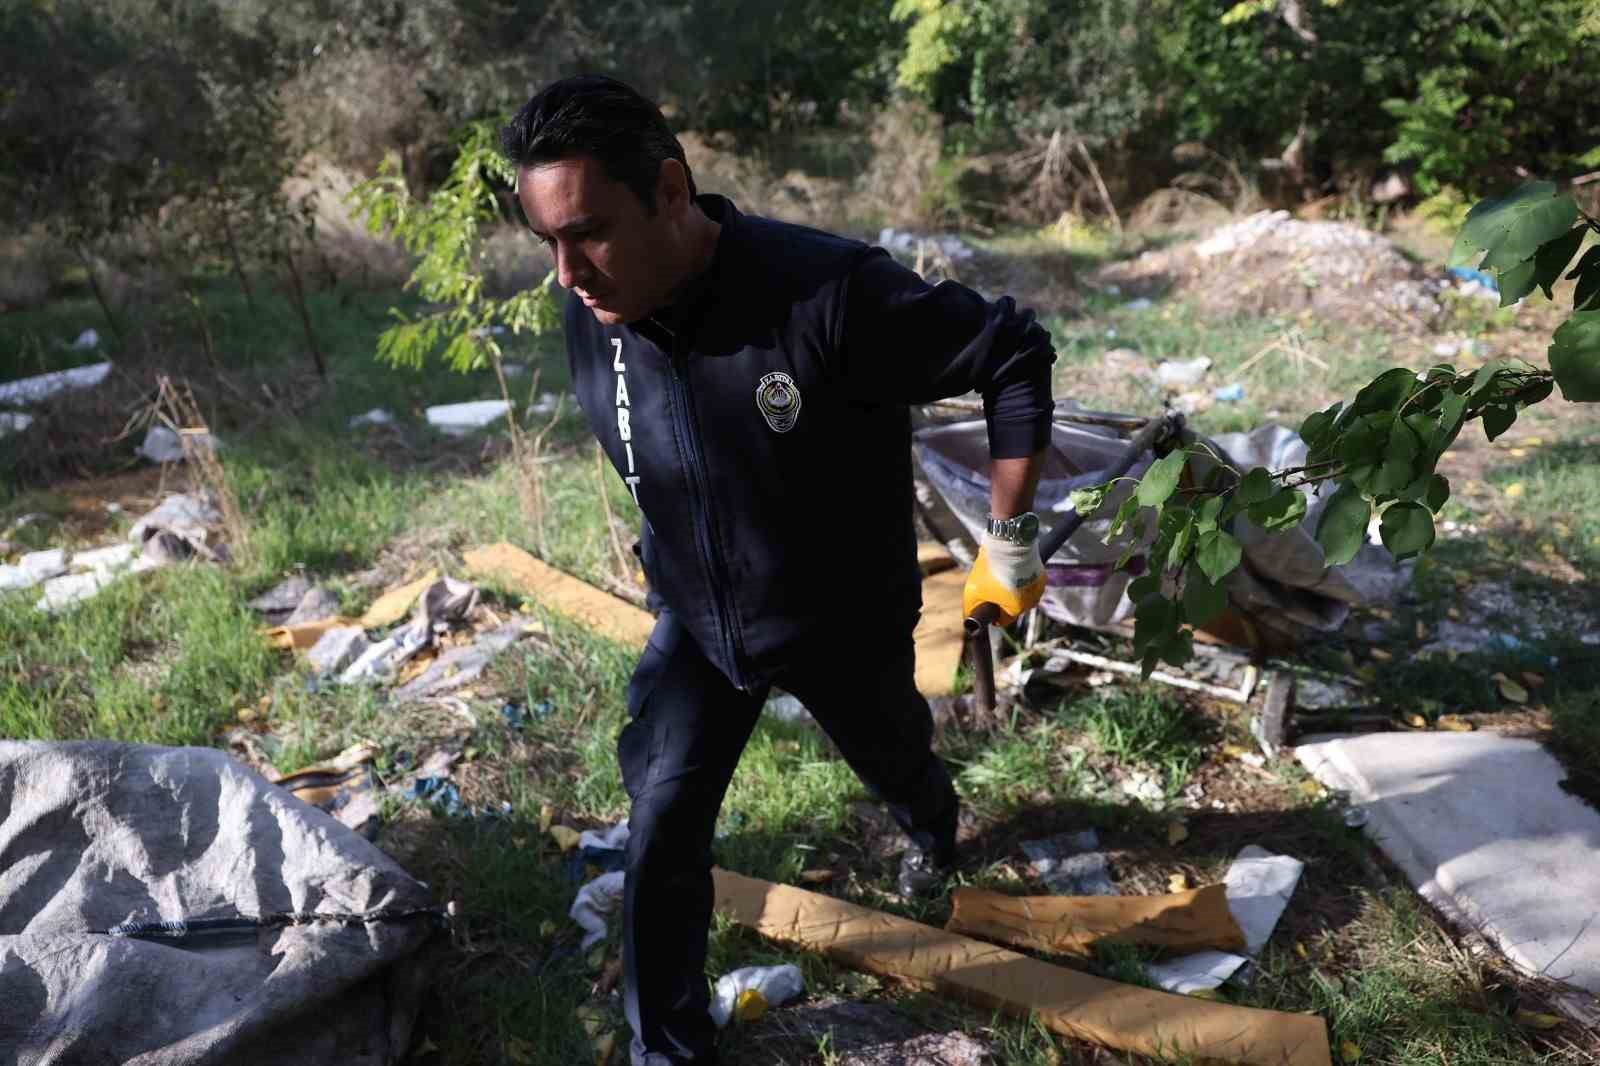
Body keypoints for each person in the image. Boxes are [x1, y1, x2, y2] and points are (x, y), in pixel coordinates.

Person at [501, 74, 1055, 1066]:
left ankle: (932, 826)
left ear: (671, 191)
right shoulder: (594, 305)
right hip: (700, 622)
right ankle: (667, 1049)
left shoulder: (827, 292)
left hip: (840, 615)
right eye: (546, 241)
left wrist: (1008, 541)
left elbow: (1012, 353)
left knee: (893, 754)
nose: (566, 272)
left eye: (587, 233)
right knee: (662, 819)